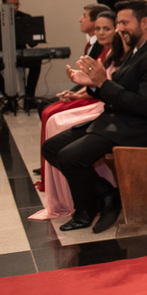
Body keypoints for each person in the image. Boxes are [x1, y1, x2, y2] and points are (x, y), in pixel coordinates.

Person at [41, 0, 147, 232]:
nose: (119, 28)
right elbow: (119, 90)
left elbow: (145, 105)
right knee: (51, 148)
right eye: (119, 23)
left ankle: (86, 211)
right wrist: (93, 85)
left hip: (138, 128)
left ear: (144, 23)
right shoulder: (139, 50)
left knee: (68, 157)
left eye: (124, 23)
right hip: (118, 121)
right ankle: (108, 195)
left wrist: (102, 83)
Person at [31, 11, 125, 208]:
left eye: (106, 29)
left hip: (106, 105)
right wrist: (77, 92)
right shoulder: (105, 52)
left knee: (57, 121)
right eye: (98, 28)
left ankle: (89, 192)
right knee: (50, 115)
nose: (101, 33)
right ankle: (66, 186)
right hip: (101, 98)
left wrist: (81, 93)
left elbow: (107, 86)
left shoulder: (120, 54)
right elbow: (95, 84)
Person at [0, 0, 43, 107]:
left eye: (17, 4)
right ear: (4, 5)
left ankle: (29, 97)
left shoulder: (25, 18)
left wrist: (33, 35)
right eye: (11, 5)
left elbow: (32, 44)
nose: (15, 7)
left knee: (36, 62)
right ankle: (9, 98)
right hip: (1, 53)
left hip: (20, 53)